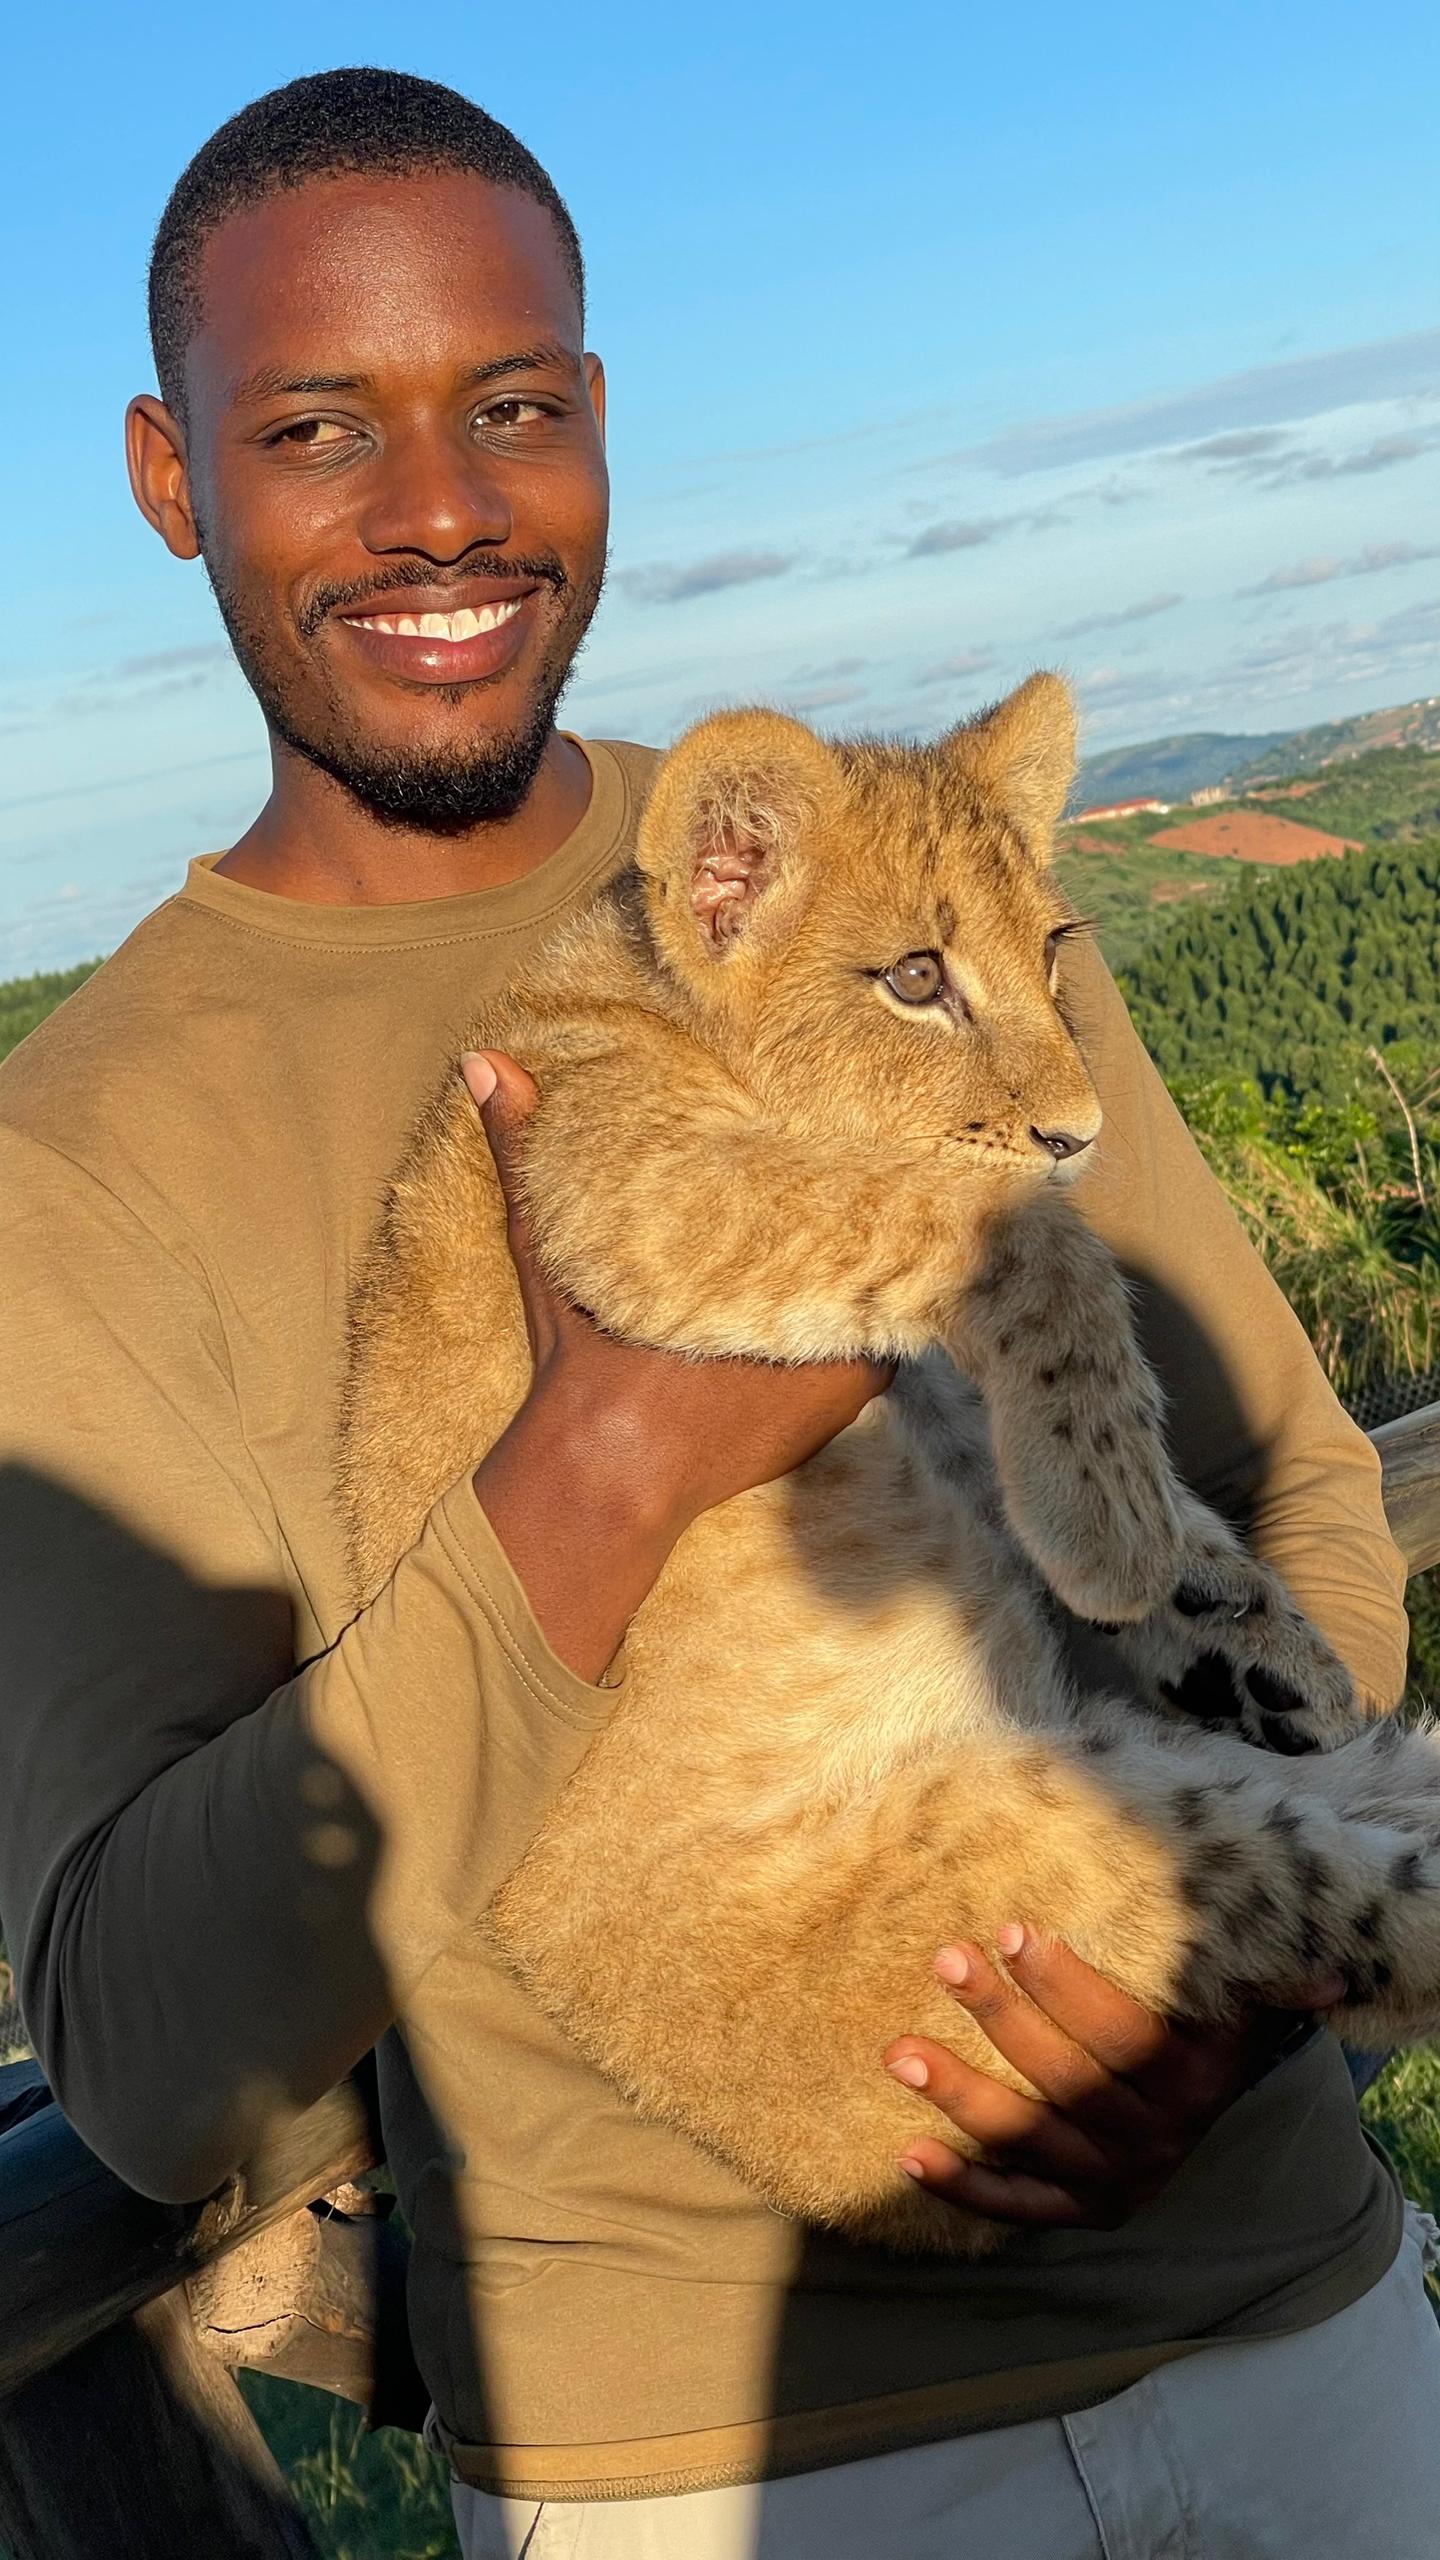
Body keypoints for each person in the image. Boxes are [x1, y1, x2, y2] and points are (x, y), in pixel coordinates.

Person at [0, 67, 1433, 2560]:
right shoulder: (77, 1162)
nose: (441, 504)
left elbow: (1293, 1468)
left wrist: (1224, 1971)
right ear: (166, 472)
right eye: (320, 425)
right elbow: (146, 2062)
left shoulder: (907, 888)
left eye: (516, 407)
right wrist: (606, 1459)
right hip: (719, 2457)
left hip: (1298, 2304)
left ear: (597, 432)